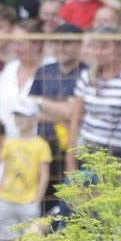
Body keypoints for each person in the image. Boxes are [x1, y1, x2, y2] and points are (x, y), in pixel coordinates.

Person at [66, 24, 121, 171]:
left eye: (104, 47)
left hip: (117, 154)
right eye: (95, 47)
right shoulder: (86, 76)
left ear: (119, 48)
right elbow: (77, 117)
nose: (98, 52)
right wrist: (70, 158)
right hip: (86, 150)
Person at [29, 23, 87, 207]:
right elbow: (29, 108)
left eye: (67, 43)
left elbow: (74, 112)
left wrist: (42, 103)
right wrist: (62, 111)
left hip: (73, 148)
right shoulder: (44, 71)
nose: (60, 47)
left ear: (79, 45)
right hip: (43, 145)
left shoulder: (86, 73)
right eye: (57, 43)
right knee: (43, 201)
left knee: (72, 201)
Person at [0, 99, 51, 241]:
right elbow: (5, 169)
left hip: (29, 200)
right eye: (16, 115)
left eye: (23, 116)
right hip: (8, 198)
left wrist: (36, 200)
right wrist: (0, 192)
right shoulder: (10, 143)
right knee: (11, 239)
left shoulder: (41, 145)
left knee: (31, 238)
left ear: (34, 119)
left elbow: (44, 175)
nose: (18, 119)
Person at [0, 19, 53, 138]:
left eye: (20, 44)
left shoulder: (52, 69)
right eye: (13, 43)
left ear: (37, 45)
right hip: (7, 146)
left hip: (40, 147)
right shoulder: (9, 68)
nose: (15, 48)